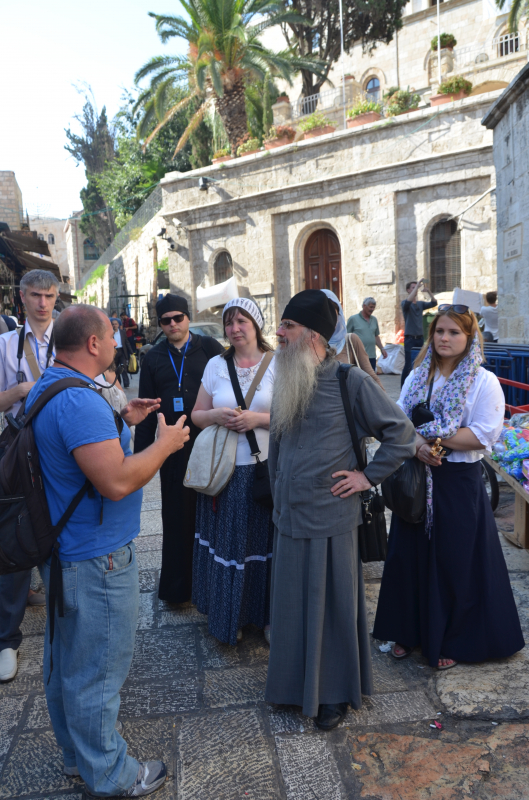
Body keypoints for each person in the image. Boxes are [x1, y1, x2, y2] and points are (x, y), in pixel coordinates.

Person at [27, 303, 190, 797]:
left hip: (66, 552)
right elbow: (116, 482)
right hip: (96, 559)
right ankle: (112, 774)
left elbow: (78, 452)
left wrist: (120, 418)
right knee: (96, 672)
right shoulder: (79, 403)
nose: (118, 343)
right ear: (93, 343)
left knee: (68, 663)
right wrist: (165, 444)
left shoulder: (54, 383)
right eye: (112, 336)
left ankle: (77, 757)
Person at [264, 289, 415, 730]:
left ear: (313, 335)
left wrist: (367, 477)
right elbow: (277, 448)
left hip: (330, 516)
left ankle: (332, 694)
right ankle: (293, 687)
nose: (278, 333)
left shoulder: (351, 381)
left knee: (330, 609)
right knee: (291, 607)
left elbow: (402, 435)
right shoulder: (287, 376)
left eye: (288, 326)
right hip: (288, 516)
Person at [373, 305, 524, 670]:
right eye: (439, 331)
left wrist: (431, 438)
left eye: (454, 332)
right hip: (416, 476)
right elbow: (399, 422)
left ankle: (452, 637)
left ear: (470, 338)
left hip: (455, 481)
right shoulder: (417, 376)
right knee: (409, 556)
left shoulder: (483, 381)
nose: (445, 338)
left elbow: (483, 435)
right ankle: (408, 631)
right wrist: (417, 446)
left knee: (455, 560)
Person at [192, 298, 275, 645]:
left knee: (265, 545)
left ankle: (267, 617)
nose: (234, 328)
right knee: (230, 546)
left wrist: (258, 419)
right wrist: (215, 416)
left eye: (242, 321)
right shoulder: (216, 365)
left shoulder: (279, 364)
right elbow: (197, 414)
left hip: (265, 470)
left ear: (256, 325)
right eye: (229, 322)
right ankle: (232, 617)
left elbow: (296, 417)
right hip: (225, 471)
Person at [135, 295, 224, 604]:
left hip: (210, 445)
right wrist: (141, 459)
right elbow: (146, 411)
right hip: (172, 451)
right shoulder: (153, 358)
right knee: (176, 519)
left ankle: (211, 586)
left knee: (212, 517)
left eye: (178, 318)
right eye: (166, 320)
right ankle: (177, 590)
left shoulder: (210, 349)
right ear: (160, 324)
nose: (173, 324)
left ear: (188, 318)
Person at [0, 269, 58, 682]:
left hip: (62, 446)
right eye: (35, 295)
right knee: (16, 531)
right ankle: (6, 639)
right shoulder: (5, 345)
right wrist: (18, 392)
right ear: (22, 297)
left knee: (65, 526)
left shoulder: (69, 337)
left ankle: (67, 614)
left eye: (49, 296)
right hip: (19, 448)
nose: (42, 303)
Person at [321, 289, 384, 389]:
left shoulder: (349, 341)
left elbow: (371, 378)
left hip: (368, 353)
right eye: (324, 315)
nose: (330, 320)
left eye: (334, 315)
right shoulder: (306, 345)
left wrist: (382, 349)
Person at [400, 279, 437, 386]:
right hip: (410, 339)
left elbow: (434, 303)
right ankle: (403, 387)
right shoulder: (405, 304)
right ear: (408, 290)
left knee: (419, 364)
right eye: (413, 287)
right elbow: (408, 302)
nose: (415, 289)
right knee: (408, 365)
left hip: (420, 339)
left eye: (416, 287)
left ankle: (416, 385)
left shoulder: (420, 304)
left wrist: (428, 291)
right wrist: (417, 286)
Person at [346, 297, 388, 371]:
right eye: (371, 307)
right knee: (360, 376)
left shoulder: (374, 319)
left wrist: (382, 349)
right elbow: (346, 336)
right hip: (358, 355)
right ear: (364, 306)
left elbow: (376, 336)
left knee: (371, 376)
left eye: (374, 307)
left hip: (371, 355)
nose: (372, 309)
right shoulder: (353, 319)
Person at [111, 318, 133, 389]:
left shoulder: (122, 332)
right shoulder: (110, 333)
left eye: (116, 324)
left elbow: (126, 342)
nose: (114, 325)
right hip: (114, 352)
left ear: (118, 325)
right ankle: (118, 383)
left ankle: (126, 383)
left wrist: (131, 352)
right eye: (113, 324)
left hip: (122, 351)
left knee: (123, 367)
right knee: (115, 369)